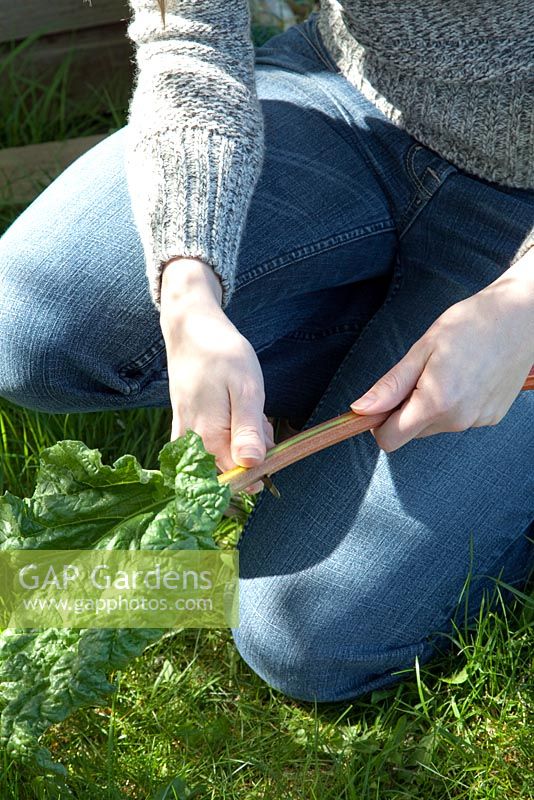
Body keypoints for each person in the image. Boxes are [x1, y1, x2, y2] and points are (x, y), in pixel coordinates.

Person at [0, 0, 533, 702]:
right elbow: (188, 36)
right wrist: (189, 290)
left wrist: (521, 306)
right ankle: (378, 334)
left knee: (304, 638)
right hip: (354, 100)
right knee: (27, 329)